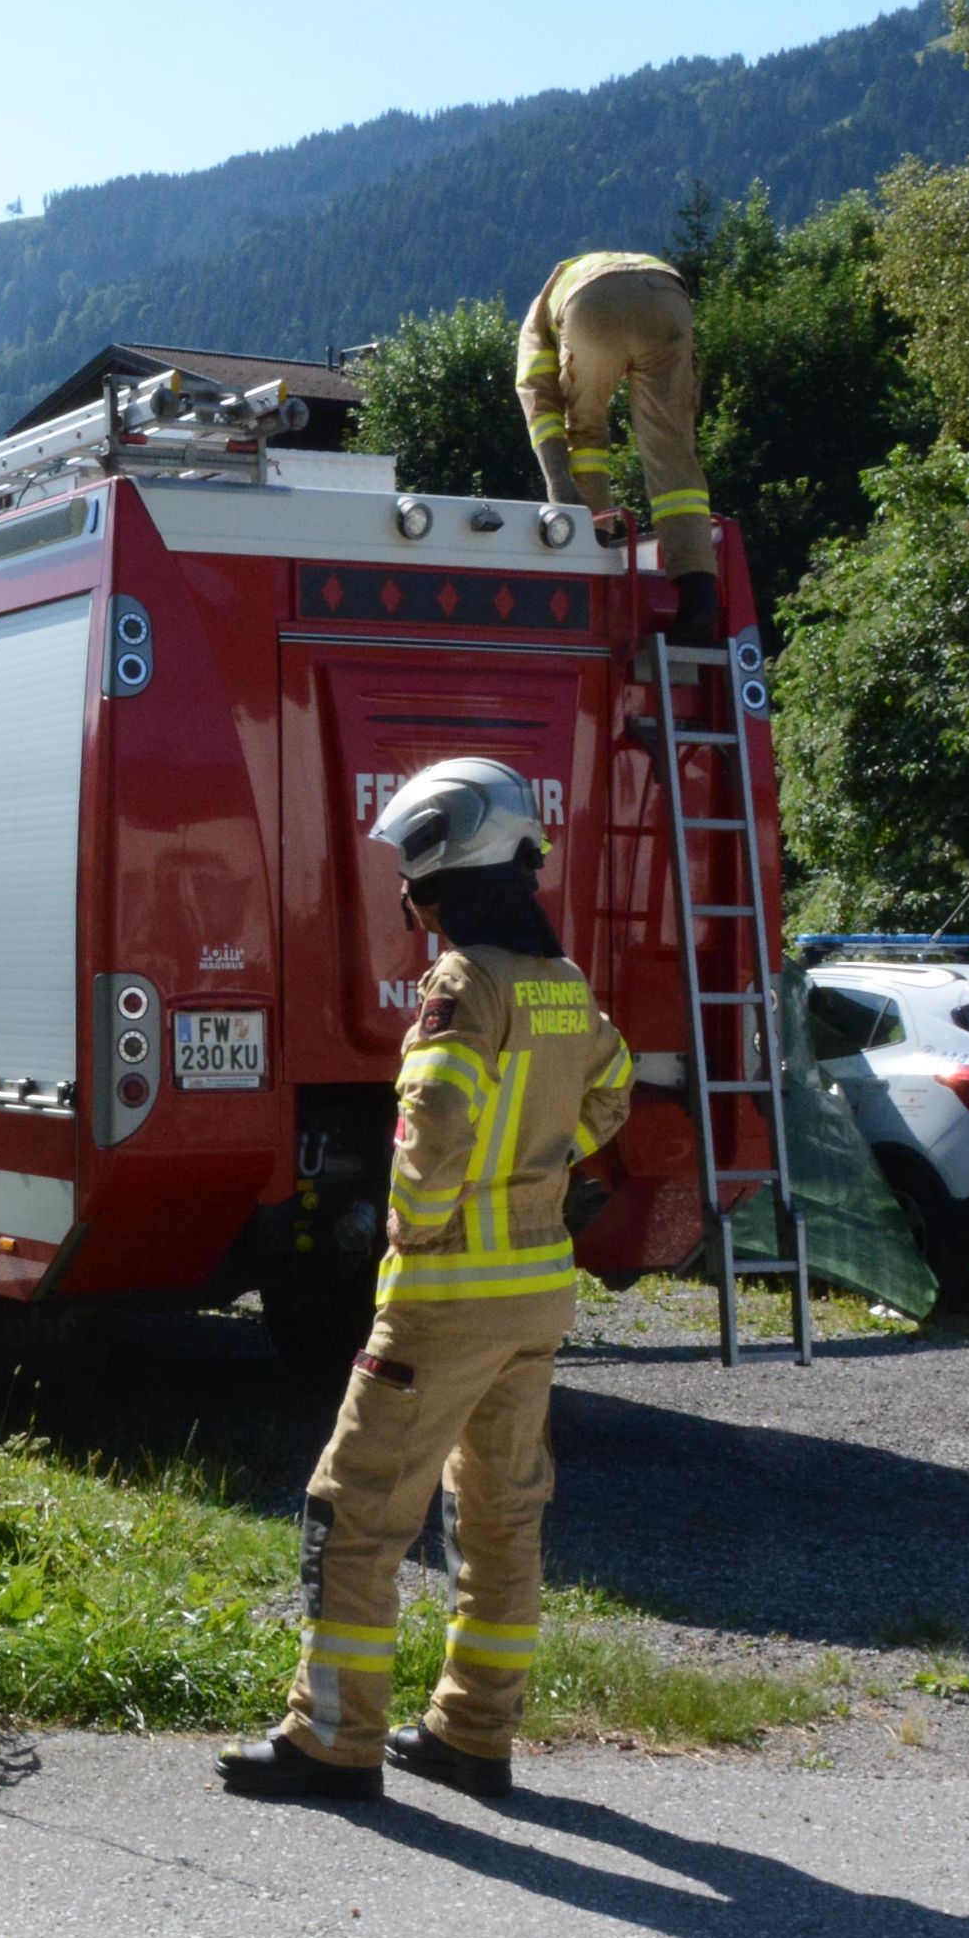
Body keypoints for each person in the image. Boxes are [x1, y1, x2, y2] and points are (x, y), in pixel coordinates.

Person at [220, 757, 635, 1804]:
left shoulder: (464, 984)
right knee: (501, 1516)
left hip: (446, 1296)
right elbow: (611, 1096)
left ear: (449, 873)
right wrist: (540, 1168)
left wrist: (420, 1221)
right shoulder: (560, 984)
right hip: (537, 1294)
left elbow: (436, 1121)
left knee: (352, 1510)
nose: (407, 899)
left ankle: (332, 1739)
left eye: (414, 877)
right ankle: (471, 1731)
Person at [517, 250, 723, 645]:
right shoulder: (595, 268)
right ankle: (699, 594)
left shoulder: (535, 323)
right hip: (667, 294)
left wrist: (560, 483)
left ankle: (592, 552)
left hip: (589, 306)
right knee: (671, 447)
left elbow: (539, 401)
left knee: (584, 433)